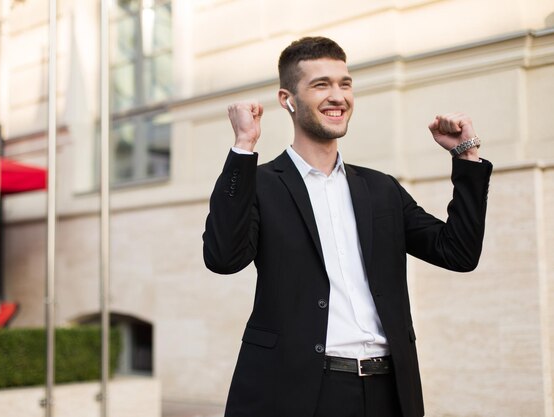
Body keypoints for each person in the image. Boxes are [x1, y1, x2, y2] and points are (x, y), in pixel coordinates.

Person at [202, 36, 492, 417]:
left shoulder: (380, 188)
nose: (338, 96)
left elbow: (458, 253)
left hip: (389, 391)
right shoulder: (261, 185)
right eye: (321, 84)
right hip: (300, 393)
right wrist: (243, 146)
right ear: (286, 99)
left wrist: (466, 158)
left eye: (345, 83)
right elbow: (223, 258)